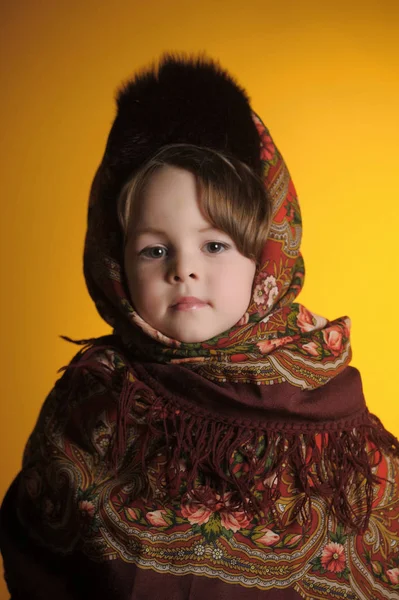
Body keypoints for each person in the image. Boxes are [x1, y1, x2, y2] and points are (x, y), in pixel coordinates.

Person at [1, 53, 399, 600]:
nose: (183, 268)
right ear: (115, 264)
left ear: (264, 254)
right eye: (154, 248)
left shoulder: (324, 406)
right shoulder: (89, 406)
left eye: (214, 244)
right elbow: (40, 563)